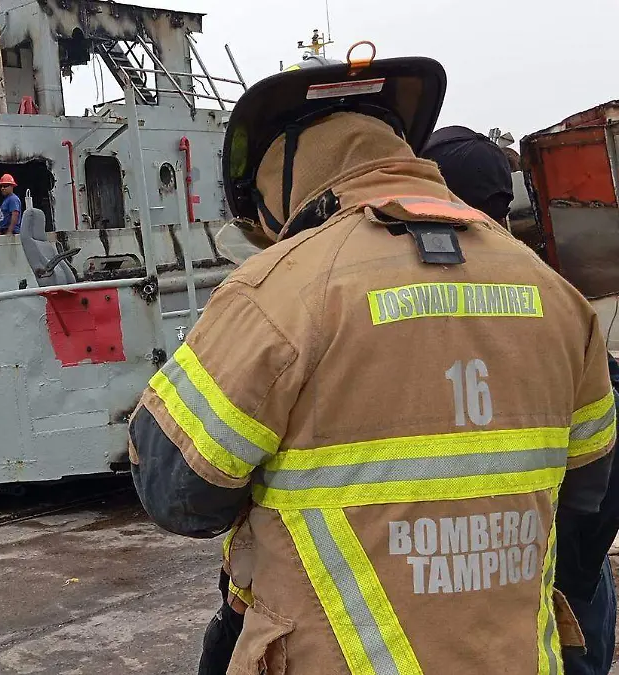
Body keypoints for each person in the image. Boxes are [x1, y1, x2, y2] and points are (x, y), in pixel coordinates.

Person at [128, 51, 616, 674]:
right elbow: (587, 493)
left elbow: (177, 493)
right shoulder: (556, 297)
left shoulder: (278, 291)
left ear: (281, 188)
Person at [423, 126, 619, 675]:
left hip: (470, 580)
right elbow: (602, 459)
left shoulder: (393, 310)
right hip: (563, 570)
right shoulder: (555, 302)